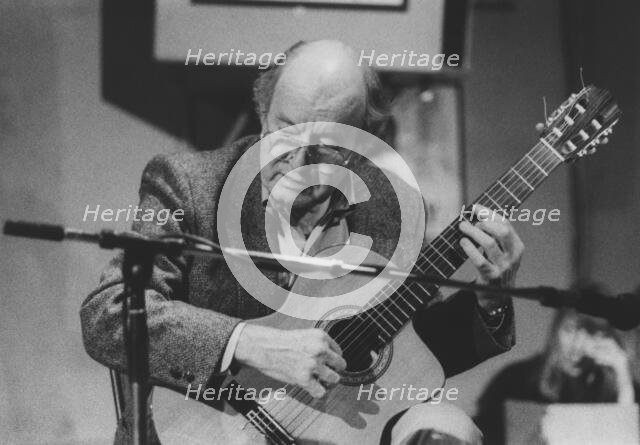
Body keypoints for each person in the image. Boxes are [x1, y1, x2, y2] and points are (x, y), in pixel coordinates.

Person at [80, 40, 524, 444]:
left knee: (450, 429)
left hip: (336, 433)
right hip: (202, 431)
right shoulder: (191, 186)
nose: (297, 161)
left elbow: (418, 353)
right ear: (262, 110)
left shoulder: (386, 212)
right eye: (285, 128)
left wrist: (491, 298)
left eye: (325, 144)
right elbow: (110, 315)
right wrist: (248, 343)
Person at [474, 308, 639, 445]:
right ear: (556, 330)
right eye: (569, 330)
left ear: (603, 336)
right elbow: (483, 433)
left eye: (589, 333)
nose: (577, 344)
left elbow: (627, 435)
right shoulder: (515, 378)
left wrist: (622, 374)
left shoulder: (611, 383)